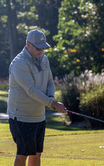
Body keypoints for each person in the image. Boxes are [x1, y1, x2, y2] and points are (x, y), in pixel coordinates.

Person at [7, 29, 67, 166]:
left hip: (39, 115)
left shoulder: (44, 59)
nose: (41, 51)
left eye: (44, 47)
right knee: (23, 153)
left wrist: (51, 97)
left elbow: (50, 82)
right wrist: (53, 103)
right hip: (21, 116)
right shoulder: (19, 63)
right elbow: (31, 90)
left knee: (37, 153)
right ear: (28, 45)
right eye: (38, 48)